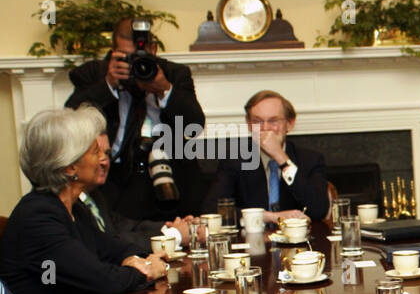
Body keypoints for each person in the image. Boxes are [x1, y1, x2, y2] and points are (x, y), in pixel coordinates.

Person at [1, 106, 168, 294]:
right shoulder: (37, 218)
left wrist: (132, 258)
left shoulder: (72, 207)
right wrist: (147, 269)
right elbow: (104, 279)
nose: (102, 159)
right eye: (94, 151)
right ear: (70, 167)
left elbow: (113, 247)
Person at [65, 16, 206, 221]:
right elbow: (69, 119)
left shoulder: (173, 74)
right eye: (125, 57)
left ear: (153, 50)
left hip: (168, 173)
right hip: (116, 178)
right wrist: (108, 85)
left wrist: (164, 89)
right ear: (112, 52)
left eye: (140, 56)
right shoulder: (94, 74)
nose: (133, 64)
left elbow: (195, 125)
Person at [202, 90, 330, 223]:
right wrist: (269, 217)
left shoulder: (311, 160)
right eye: (257, 121)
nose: (265, 128)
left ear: (289, 123)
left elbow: (319, 210)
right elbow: (210, 210)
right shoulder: (234, 160)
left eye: (273, 121)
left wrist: (281, 157)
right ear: (249, 124)